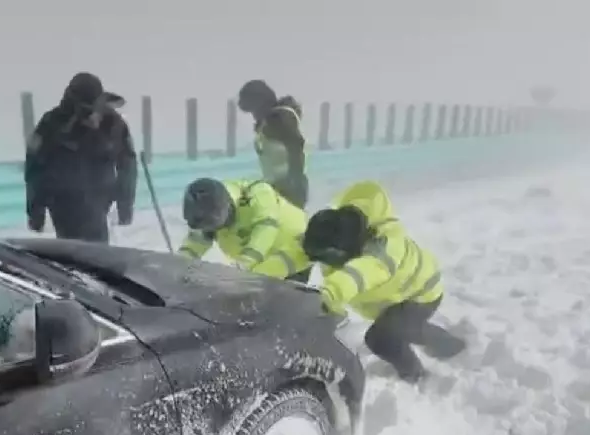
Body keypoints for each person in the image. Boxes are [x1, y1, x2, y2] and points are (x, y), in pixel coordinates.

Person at [301, 180, 467, 382]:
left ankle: (417, 373)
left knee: (382, 337)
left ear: (342, 251)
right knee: (399, 329)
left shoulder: (384, 247)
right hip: (395, 299)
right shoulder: (338, 239)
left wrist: (329, 294)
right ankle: (445, 345)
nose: (323, 263)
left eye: (325, 257)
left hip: (421, 293)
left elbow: (360, 273)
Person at [24, 72, 137, 243]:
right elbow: (34, 167)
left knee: (95, 249)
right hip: (62, 203)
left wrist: (125, 204)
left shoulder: (112, 123)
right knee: (71, 249)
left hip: (98, 201)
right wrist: (35, 211)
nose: (92, 116)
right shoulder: (52, 123)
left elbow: (128, 164)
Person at [177, 178, 312, 283]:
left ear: (226, 207)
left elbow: (265, 230)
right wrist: (179, 264)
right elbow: (197, 241)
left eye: (212, 224)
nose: (211, 230)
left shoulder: (258, 194)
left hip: (293, 249)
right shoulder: (209, 210)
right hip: (256, 263)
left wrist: (244, 263)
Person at [237, 80, 309, 209]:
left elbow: (297, 144)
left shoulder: (278, 119)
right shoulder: (271, 120)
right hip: (279, 185)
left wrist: (294, 179)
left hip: (289, 186)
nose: (253, 116)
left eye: (253, 110)